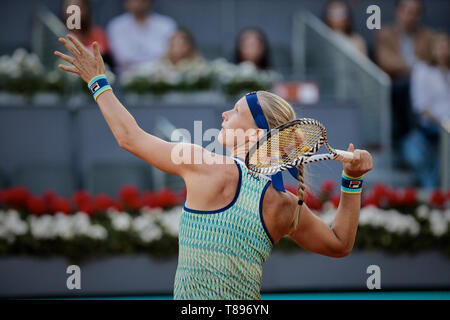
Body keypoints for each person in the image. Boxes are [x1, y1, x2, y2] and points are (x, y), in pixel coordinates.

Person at [54, 34, 373, 300]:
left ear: (258, 134)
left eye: (235, 112)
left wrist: (97, 81)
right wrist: (352, 180)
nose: (224, 115)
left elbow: (129, 138)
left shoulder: (205, 166)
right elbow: (339, 244)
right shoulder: (287, 205)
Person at [375, 0, 435, 155]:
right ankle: (408, 134)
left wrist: (416, 69)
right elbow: (386, 61)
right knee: (404, 86)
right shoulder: (385, 34)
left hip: (423, 86)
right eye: (408, 11)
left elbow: (433, 59)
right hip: (395, 86)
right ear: (398, 12)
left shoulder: (428, 36)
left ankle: (418, 131)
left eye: (416, 13)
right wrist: (415, 66)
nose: (412, 17)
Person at [404, 32, 450, 188]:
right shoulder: (422, 70)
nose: (443, 50)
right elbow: (421, 106)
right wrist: (443, 122)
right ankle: (434, 191)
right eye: (439, 46)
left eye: (446, 45)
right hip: (431, 127)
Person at [106, 0, 177, 74]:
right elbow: (122, 58)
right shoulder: (116, 26)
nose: (136, 3)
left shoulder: (166, 24)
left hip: (162, 76)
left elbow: (169, 54)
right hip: (125, 78)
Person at [61, 0, 113, 67]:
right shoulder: (58, 36)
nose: (73, 13)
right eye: (69, 8)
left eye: (78, 7)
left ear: (86, 9)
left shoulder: (98, 34)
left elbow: (104, 57)